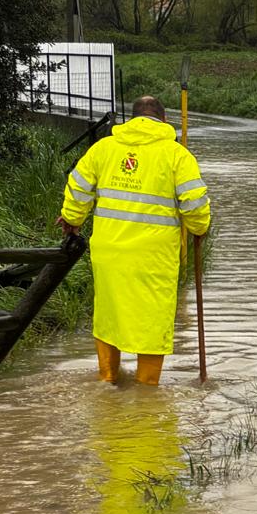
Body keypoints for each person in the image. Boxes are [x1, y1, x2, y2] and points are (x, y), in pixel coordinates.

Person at [58, 95, 211, 385]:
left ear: (132, 120)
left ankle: (107, 379)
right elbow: (195, 205)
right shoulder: (177, 155)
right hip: (154, 259)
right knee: (152, 320)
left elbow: (78, 188)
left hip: (109, 252)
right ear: (164, 121)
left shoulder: (103, 149)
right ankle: (147, 391)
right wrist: (199, 228)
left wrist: (72, 220)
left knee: (109, 315)